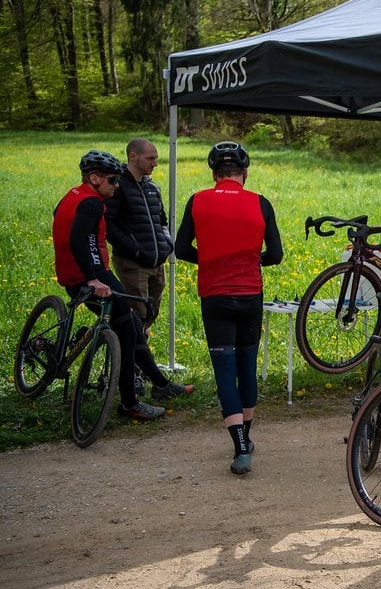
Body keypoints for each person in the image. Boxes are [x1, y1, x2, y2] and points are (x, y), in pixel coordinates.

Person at [53, 150, 192, 422]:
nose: (116, 186)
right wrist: (93, 279)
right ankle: (130, 403)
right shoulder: (92, 203)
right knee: (128, 330)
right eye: (113, 181)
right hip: (89, 275)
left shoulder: (73, 195)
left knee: (129, 324)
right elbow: (79, 240)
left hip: (78, 273)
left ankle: (160, 384)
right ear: (94, 178)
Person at [174, 142, 283, 475]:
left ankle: (239, 448)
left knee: (224, 370)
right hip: (250, 293)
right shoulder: (260, 203)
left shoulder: (198, 200)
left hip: (215, 295)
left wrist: (209, 258)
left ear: (214, 174)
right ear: (245, 173)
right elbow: (276, 254)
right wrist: (251, 260)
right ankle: (246, 437)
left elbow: (180, 248)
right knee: (246, 365)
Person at [104, 138, 174, 399]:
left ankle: (138, 366)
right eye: (150, 159)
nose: (154, 163)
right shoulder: (118, 186)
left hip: (157, 263)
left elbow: (161, 220)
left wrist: (167, 244)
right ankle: (132, 374)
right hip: (133, 264)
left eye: (156, 159)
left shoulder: (152, 187)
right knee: (135, 317)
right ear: (133, 156)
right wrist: (134, 250)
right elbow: (110, 226)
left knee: (148, 317)